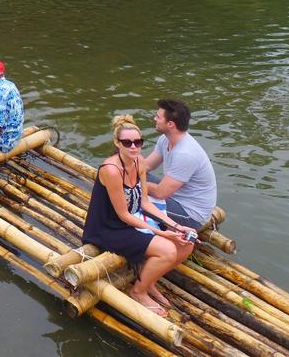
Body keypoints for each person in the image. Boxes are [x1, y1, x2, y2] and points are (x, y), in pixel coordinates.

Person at [82, 115, 196, 317]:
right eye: (127, 142)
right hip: (109, 228)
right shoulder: (112, 170)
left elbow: (144, 202)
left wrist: (176, 227)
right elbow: (123, 215)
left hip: (131, 219)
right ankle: (139, 291)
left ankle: (149, 282)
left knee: (187, 243)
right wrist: (161, 234)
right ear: (117, 143)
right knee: (168, 249)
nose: (133, 147)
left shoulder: (139, 163)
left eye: (138, 142)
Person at [143, 98, 218, 231]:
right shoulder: (165, 139)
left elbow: (161, 193)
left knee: (132, 197)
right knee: (138, 178)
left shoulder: (185, 154)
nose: (155, 119)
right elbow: (146, 166)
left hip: (190, 215)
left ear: (170, 124)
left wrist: (135, 185)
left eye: (158, 117)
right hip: (175, 198)